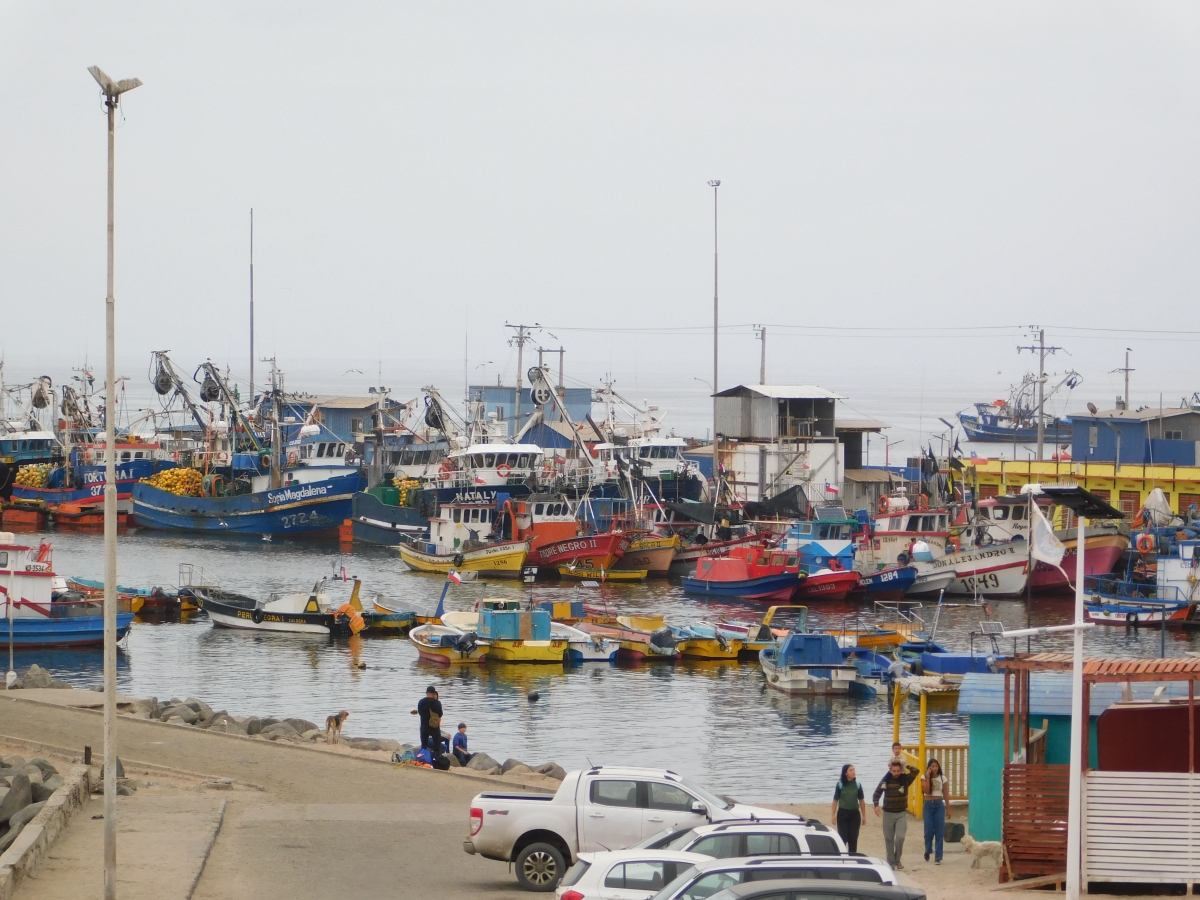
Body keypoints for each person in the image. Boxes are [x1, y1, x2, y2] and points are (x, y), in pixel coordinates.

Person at [873, 759, 920, 870]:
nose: (896, 773)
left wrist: (905, 765)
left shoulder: (905, 780)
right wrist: (876, 805)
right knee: (889, 839)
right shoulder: (886, 781)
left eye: (898, 771)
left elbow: (916, 771)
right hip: (888, 813)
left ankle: (897, 859)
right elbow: (877, 793)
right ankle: (891, 863)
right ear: (890, 770)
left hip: (901, 813)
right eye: (894, 771)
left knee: (900, 837)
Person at [831, 764, 867, 853]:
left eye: (854, 770)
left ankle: (852, 859)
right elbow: (835, 800)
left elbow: (861, 801)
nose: (853, 771)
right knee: (843, 838)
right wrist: (833, 815)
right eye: (851, 770)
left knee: (853, 839)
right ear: (845, 773)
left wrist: (864, 816)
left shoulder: (858, 785)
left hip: (854, 814)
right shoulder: (840, 785)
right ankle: (842, 858)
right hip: (842, 814)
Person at [922, 758, 951, 864]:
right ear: (929, 767)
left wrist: (948, 808)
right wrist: (928, 777)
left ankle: (938, 857)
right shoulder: (924, 777)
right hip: (928, 804)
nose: (934, 768)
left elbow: (946, 794)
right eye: (932, 766)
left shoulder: (943, 778)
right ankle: (928, 849)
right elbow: (926, 790)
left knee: (939, 831)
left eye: (936, 766)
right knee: (928, 831)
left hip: (939, 805)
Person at [416, 685, 444, 757]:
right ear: (434, 693)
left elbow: (420, 713)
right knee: (437, 747)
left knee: (424, 745)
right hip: (434, 727)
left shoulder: (421, 702)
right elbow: (440, 714)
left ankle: (424, 759)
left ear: (426, 693)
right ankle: (437, 759)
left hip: (424, 726)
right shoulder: (437, 703)